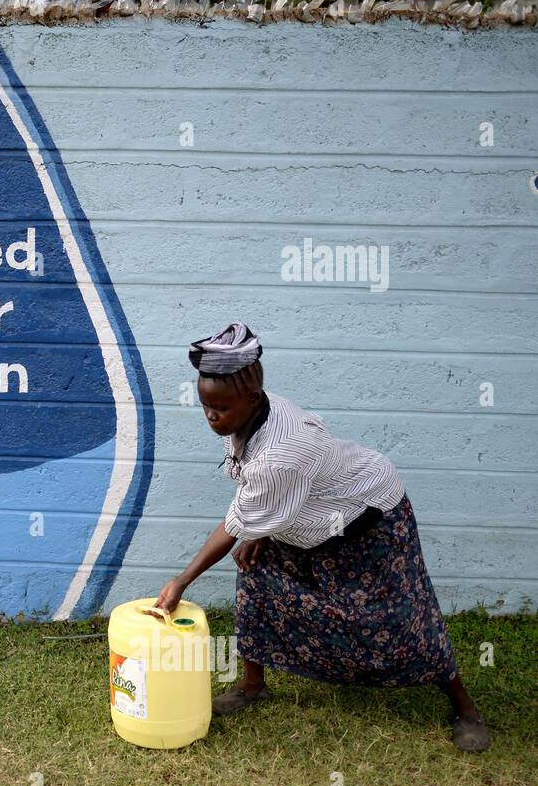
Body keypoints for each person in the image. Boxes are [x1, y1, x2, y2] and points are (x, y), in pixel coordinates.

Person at [154, 323, 488, 753]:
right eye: (204, 406)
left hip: (368, 518)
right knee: (256, 582)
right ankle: (254, 685)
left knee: (401, 618)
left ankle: (464, 706)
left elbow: (253, 500)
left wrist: (184, 580)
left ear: (252, 398)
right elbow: (253, 500)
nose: (211, 416)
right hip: (310, 519)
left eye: (219, 407)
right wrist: (262, 528)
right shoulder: (255, 414)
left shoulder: (282, 453)